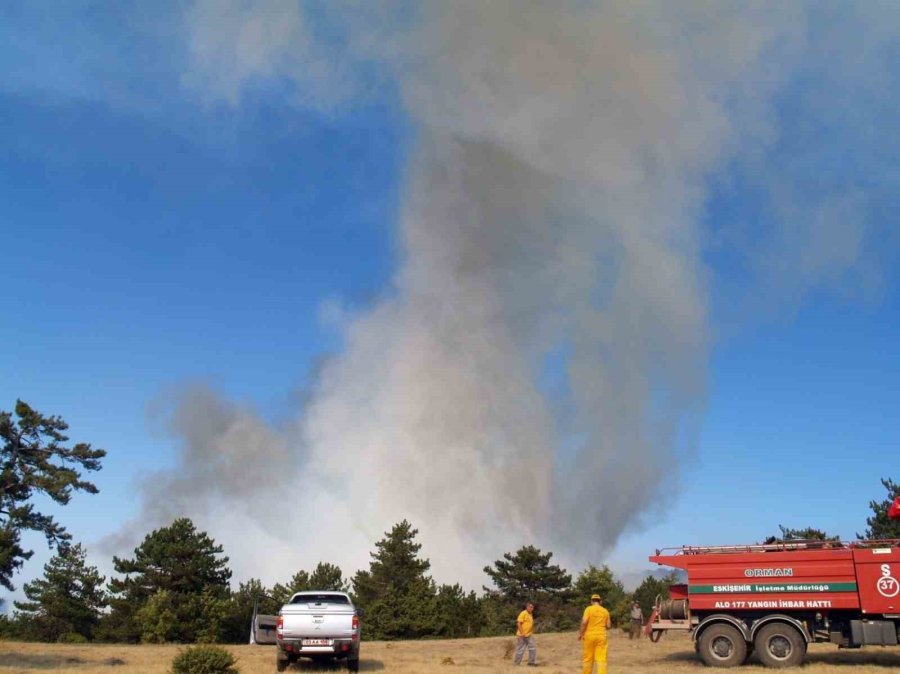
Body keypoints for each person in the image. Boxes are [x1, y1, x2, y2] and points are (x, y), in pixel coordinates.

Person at [578, 593, 611, 674]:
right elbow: (609, 626)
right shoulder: (605, 611)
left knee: (588, 658)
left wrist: (580, 634)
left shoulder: (588, 609)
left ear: (591, 601)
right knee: (601, 659)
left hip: (589, 636)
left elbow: (584, 622)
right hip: (601, 636)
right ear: (600, 601)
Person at [514, 601, 537, 666]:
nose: (532, 608)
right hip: (522, 635)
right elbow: (518, 623)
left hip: (529, 635)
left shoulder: (530, 614)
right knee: (520, 650)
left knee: (533, 648)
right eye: (530, 607)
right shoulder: (523, 613)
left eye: (533, 607)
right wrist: (522, 633)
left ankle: (531, 663)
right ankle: (516, 664)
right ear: (527, 607)